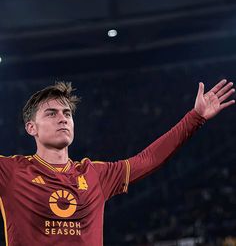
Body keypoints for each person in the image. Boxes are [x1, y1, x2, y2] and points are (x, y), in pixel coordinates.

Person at [0, 79, 234, 246]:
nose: (62, 118)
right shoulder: (11, 171)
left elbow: (149, 159)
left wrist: (195, 118)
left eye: (67, 113)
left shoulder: (95, 174)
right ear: (32, 128)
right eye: (51, 113)